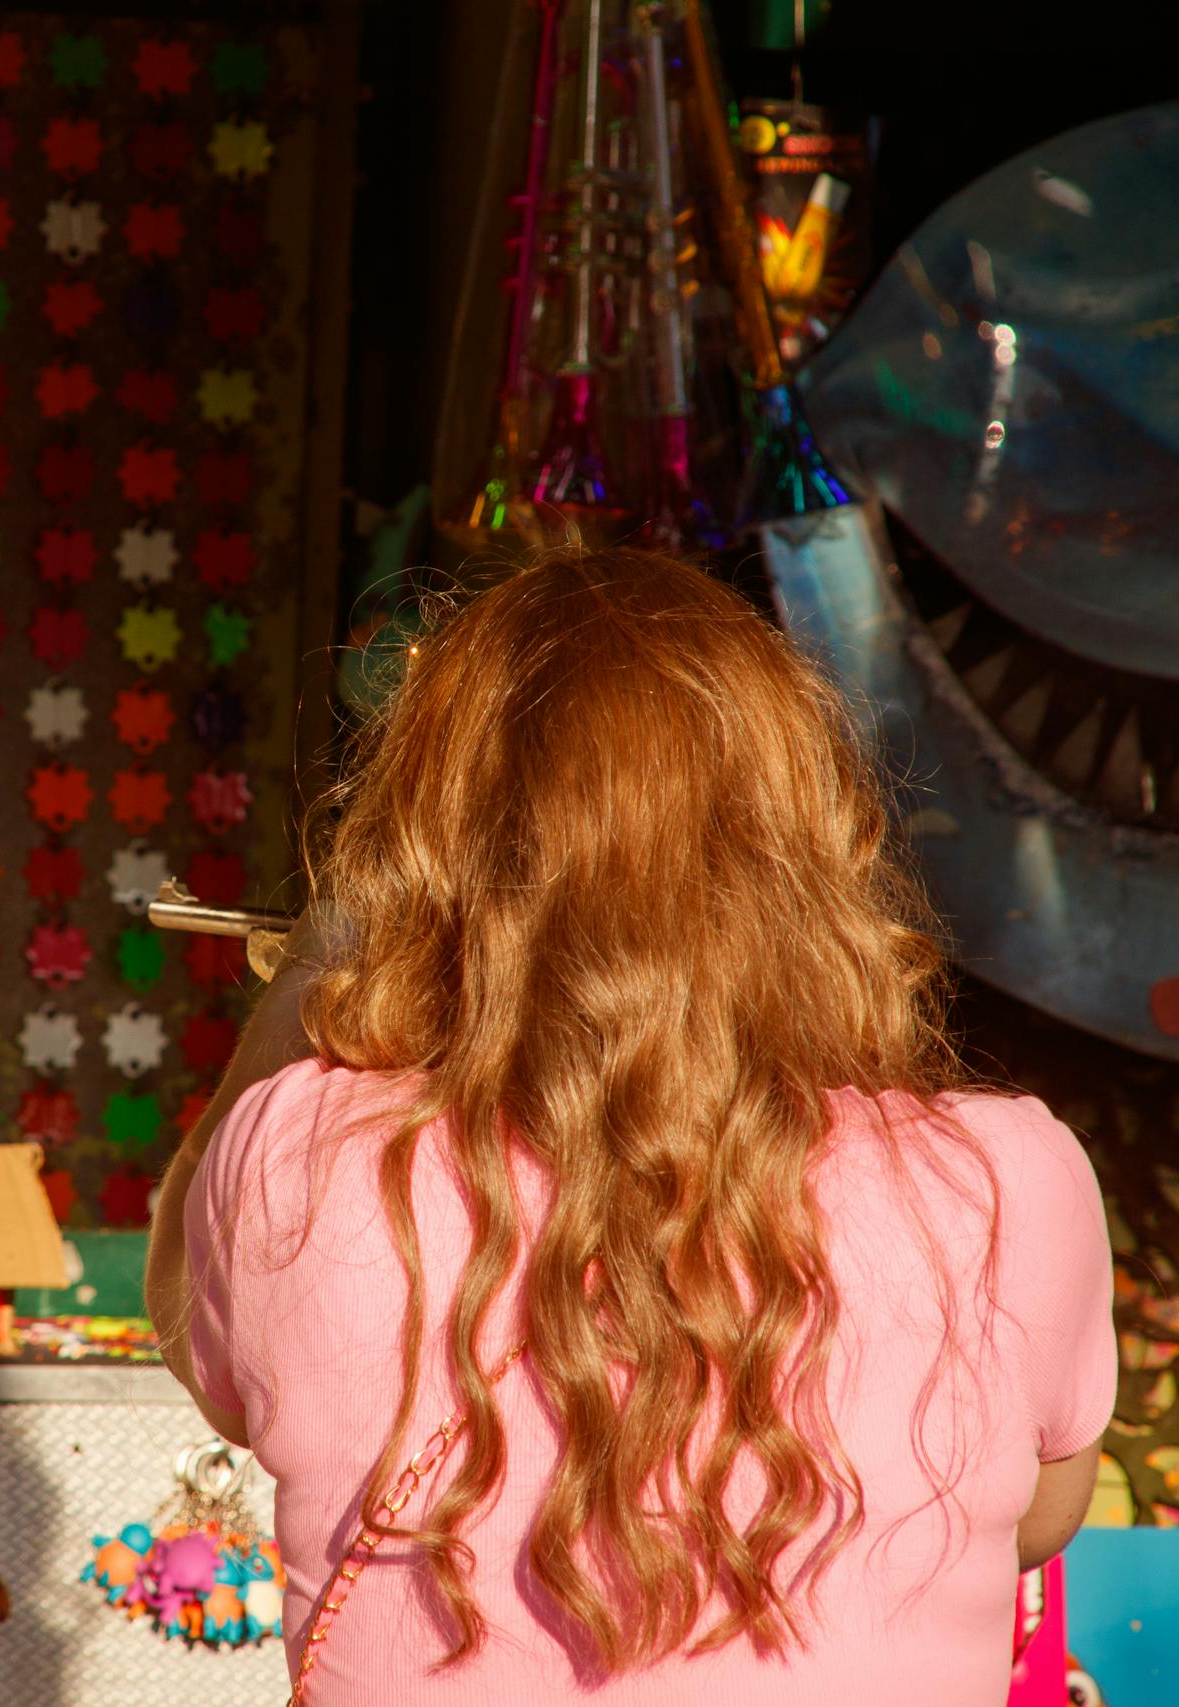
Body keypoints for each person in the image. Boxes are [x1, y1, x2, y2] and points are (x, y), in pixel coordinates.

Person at [147, 548, 1115, 1704]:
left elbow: (189, 1329)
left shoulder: (301, 1154)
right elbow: (1037, 1518)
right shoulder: (1007, 1179)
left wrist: (321, 954)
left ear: (431, 851)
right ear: (804, 845)